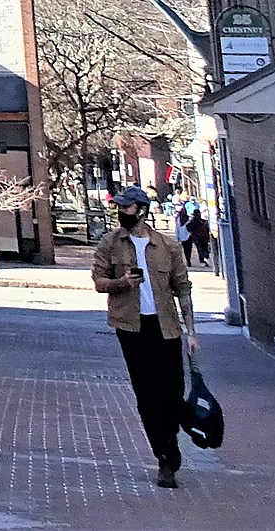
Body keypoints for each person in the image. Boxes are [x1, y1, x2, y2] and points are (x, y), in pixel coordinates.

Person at [93, 184, 197, 488]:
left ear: (140, 210)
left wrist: (191, 331)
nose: (120, 212)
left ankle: (170, 437)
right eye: (119, 207)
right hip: (131, 328)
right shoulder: (110, 244)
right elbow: (99, 281)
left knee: (173, 392)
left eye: (126, 207)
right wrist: (122, 282)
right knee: (147, 395)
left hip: (166, 327)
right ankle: (165, 456)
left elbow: (183, 288)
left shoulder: (167, 246)